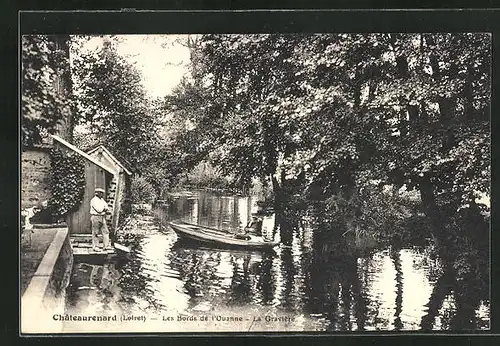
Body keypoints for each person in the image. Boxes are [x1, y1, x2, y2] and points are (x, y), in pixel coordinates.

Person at [90, 187, 111, 251]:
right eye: (101, 193)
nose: (102, 194)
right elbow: (99, 209)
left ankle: (106, 246)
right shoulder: (94, 200)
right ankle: (96, 246)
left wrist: (104, 209)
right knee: (95, 232)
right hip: (95, 217)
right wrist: (104, 208)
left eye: (102, 193)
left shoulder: (102, 200)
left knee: (106, 231)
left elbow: (107, 207)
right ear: (97, 193)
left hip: (102, 217)